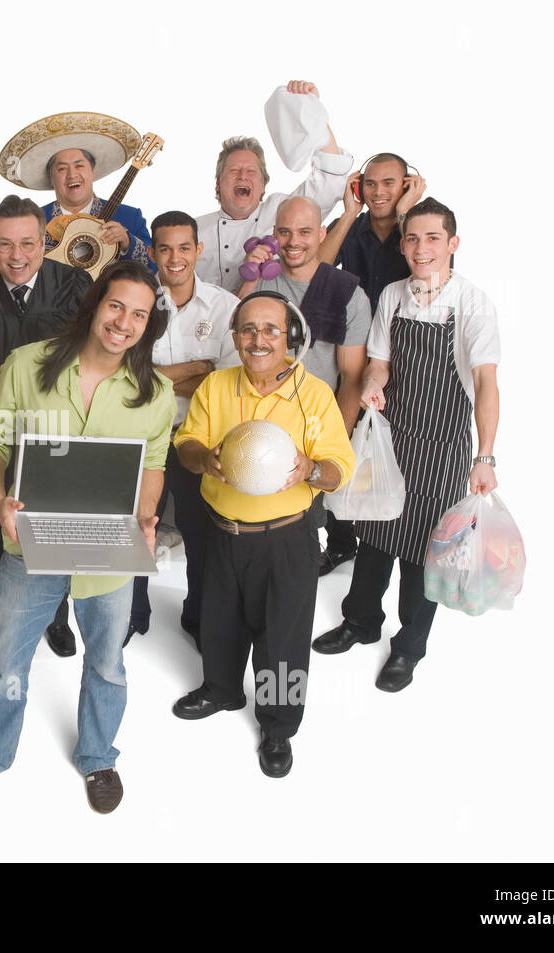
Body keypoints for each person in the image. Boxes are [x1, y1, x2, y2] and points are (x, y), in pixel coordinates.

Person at [0, 261, 176, 814]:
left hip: (111, 549)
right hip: (30, 541)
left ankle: (98, 757)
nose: (124, 322)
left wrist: (146, 516)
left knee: (107, 662)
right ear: (95, 304)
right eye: (116, 305)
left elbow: (155, 461)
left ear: (149, 324)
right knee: (7, 659)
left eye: (139, 314)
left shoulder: (157, 393)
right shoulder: (27, 366)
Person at [312, 198, 501, 692]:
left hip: (443, 444)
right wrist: (374, 382)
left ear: (453, 244)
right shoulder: (394, 295)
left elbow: (485, 383)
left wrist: (485, 455)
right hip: (393, 434)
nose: (421, 248)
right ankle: (360, 621)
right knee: (375, 528)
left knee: (426, 546)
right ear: (403, 244)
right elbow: (378, 362)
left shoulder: (472, 303)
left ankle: (409, 648)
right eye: (412, 239)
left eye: (433, 238)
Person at [171, 291, 355, 778]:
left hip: (286, 539)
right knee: (218, 622)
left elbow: (341, 467)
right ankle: (221, 689)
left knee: (283, 639)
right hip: (222, 531)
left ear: (290, 337)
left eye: (271, 329)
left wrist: (312, 470)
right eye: (248, 329)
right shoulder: (216, 386)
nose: (259, 339)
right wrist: (203, 459)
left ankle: (279, 725)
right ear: (234, 337)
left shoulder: (313, 394)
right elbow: (187, 440)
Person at [0, 195, 92, 659]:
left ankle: (55, 615)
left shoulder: (75, 285)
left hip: (57, 432)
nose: (17, 255)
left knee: (56, 529)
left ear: (45, 242)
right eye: (4, 244)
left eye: (28, 242)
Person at [239, 196, 371, 575]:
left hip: (309, 432)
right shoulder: (261, 280)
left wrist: (334, 445)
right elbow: (233, 341)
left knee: (298, 546)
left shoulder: (348, 293)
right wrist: (251, 275)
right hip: (253, 421)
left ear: (322, 234)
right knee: (246, 530)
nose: (293, 241)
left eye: (304, 232)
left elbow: (349, 378)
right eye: (284, 232)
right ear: (273, 234)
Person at [129, 210, 239, 647]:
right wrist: (196, 367)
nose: (175, 258)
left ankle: (198, 616)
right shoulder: (136, 303)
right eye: (166, 248)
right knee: (138, 525)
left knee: (202, 534)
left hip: (200, 437)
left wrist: (158, 373)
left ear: (199, 250)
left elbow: (228, 382)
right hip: (144, 437)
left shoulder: (225, 307)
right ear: (152, 252)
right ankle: (133, 613)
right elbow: (127, 377)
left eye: (184, 247)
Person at [194, 81, 352, 293]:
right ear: (217, 183)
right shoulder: (194, 230)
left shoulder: (281, 211)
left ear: (263, 184)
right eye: (233, 171)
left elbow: (329, 181)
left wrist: (312, 113)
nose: (243, 176)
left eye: (251, 172)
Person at [322, 153, 428, 311]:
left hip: (405, 331)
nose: (378, 192)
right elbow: (311, 274)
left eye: (388, 183)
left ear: (406, 188)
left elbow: (433, 286)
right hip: (354, 332)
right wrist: (349, 214)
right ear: (359, 188)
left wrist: (403, 212)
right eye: (370, 184)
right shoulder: (346, 226)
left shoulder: (429, 231)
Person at [42, 148, 152, 269]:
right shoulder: (34, 220)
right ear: (52, 178)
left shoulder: (130, 217)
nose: (72, 175)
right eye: (62, 169)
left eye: (79, 166)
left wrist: (128, 243)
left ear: (92, 172)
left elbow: (155, 266)